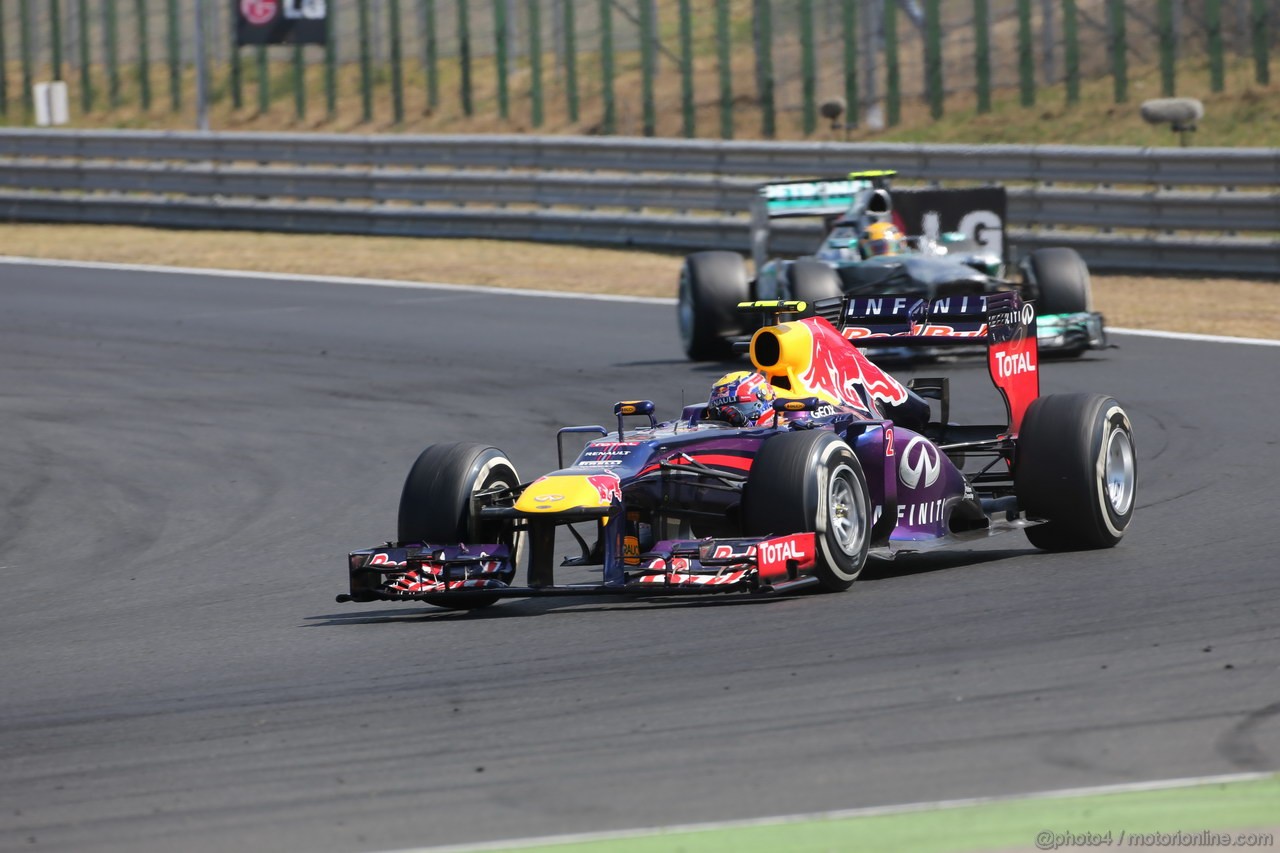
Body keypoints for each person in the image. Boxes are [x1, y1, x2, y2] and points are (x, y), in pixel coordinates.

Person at [706, 371, 776, 427]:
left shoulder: (783, 428)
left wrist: (745, 424)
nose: (730, 417)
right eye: (720, 410)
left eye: (741, 407)